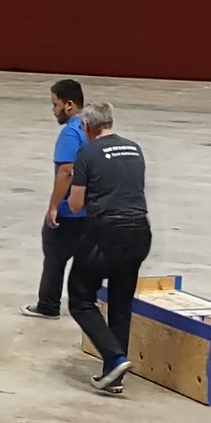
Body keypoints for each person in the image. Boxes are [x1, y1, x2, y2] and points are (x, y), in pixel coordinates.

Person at [65, 102, 152, 394]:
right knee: (120, 302)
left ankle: (114, 358)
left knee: (80, 297)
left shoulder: (87, 152)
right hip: (140, 231)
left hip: (105, 232)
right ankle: (114, 377)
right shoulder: (135, 148)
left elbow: (76, 204)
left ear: (89, 128)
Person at [22, 79, 89, 320]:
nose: (53, 110)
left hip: (69, 211)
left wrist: (53, 207)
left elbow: (66, 171)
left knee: (55, 257)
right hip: (90, 211)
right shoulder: (92, 127)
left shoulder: (71, 132)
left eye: (55, 104)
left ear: (69, 105)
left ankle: (48, 306)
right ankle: (85, 306)